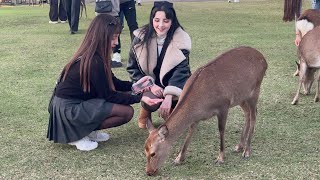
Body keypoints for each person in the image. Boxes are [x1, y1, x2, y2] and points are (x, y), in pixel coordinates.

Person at [47, 14, 162, 151]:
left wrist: (135, 86)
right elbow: (109, 95)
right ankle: (76, 135)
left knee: (124, 106)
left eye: (117, 37)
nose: (116, 42)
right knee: (126, 112)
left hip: (76, 103)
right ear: (101, 36)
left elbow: (113, 82)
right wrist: (140, 97)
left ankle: (87, 131)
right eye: (113, 38)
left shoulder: (97, 56)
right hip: (68, 109)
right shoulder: (94, 61)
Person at [127, 1, 192, 129]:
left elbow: (182, 71)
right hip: (150, 85)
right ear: (152, 20)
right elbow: (132, 68)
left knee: (178, 123)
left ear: (172, 21)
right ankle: (145, 112)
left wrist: (169, 95)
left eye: (166, 21)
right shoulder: (139, 37)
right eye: (157, 20)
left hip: (171, 83)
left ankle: (172, 107)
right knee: (150, 103)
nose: (160, 25)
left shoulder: (181, 39)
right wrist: (150, 85)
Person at [95, 0, 123, 68]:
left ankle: (113, 55)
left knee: (114, 35)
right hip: (101, 11)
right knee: (101, 34)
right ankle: (104, 58)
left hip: (111, 11)